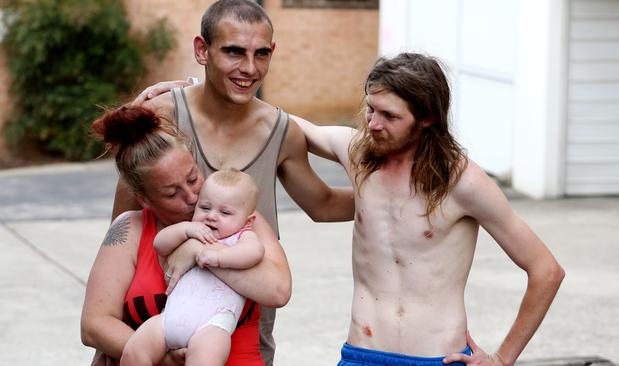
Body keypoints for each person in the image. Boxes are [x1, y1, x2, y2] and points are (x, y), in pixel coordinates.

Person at [115, 1, 354, 364]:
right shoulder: (162, 116)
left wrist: (393, 197)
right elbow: (121, 233)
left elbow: (322, 205)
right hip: (158, 328)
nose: (249, 68)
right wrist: (114, 337)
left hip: (241, 335)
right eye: (233, 51)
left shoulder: (281, 131)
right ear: (202, 50)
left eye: (261, 54)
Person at [294, 53, 565, 366]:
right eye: (370, 109)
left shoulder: (464, 182)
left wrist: (503, 357)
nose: (374, 124)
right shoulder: (358, 154)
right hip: (361, 355)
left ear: (427, 119)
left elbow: (546, 271)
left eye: (389, 116)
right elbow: (285, 126)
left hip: (437, 359)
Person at [81, 104, 291, 366]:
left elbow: (279, 291)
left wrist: (199, 252)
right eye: (172, 193)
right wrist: (163, 357)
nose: (192, 197)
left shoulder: (238, 219)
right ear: (144, 199)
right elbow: (94, 324)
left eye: (193, 179)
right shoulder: (130, 230)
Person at [121, 169, 264, 366]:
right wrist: (186, 230)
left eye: (224, 212)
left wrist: (219, 257)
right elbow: (159, 244)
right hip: (168, 318)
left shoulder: (242, 236)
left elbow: (254, 253)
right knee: (132, 353)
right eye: (205, 208)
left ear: (247, 220)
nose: (212, 216)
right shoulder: (191, 231)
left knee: (205, 360)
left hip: (212, 325)